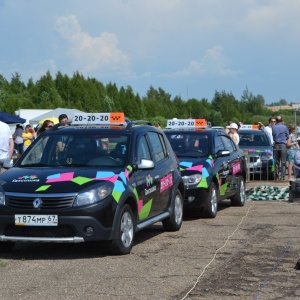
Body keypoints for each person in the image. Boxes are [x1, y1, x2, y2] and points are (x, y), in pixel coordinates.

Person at [272, 115, 289, 181]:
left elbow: (273, 135)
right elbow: (287, 136)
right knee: (283, 161)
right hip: (283, 145)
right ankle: (283, 176)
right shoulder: (285, 127)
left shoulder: (274, 127)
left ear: (276, 121)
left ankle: (276, 176)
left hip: (276, 144)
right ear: (282, 120)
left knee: (276, 162)